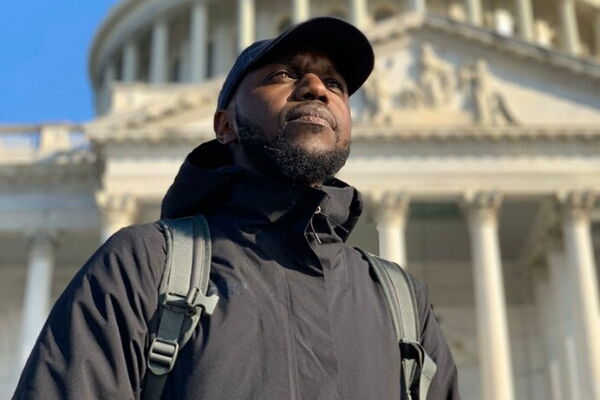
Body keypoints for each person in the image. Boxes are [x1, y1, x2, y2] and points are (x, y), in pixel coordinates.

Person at [14, 17, 460, 399]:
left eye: (336, 84)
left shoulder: (402, 305)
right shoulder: (144, 267)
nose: (316, 89)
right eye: (284, 74)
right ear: (224, 125)